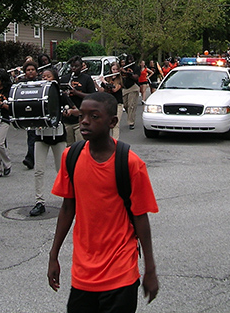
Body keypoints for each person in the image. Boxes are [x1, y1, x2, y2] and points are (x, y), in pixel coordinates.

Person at [47, 92, 159, 312]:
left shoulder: (130, 163)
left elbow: (140, 216)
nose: (85, 121)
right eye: (82, 116)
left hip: (120, 271)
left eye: (94, 116)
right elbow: (67, 208)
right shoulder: (71, 156)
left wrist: (150, 269)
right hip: (83, 272)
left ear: (112, 122)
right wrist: (53, 256)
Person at [29, 67, 67, 217]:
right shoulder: (37, 95)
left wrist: (67, 112)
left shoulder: (60, 94)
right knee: (38, 170)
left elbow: (74, 109)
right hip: (41, 136)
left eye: (48, 76)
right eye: (43, 76)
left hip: (58, 136)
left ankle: (68, 199)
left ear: (55, 78)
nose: (45, 79)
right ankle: (40, 201)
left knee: (61, 171)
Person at [60, 55, 95, 145]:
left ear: (81, 67)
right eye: (72, 66)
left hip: (81, 117)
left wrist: (77, 93)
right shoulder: (65, 79)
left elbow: (92, 97)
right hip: (67, 118)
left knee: (81, 145)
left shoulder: (86, 79)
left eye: (76, 66)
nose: (74, 68)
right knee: (68, 146)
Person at [99, 62, 124, 141]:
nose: (115, 71)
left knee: (116, 123)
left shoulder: (120, 79)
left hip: (118, 103)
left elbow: (114, 89)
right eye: (113, 69)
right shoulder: (108, 78)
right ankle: (107, 140)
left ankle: (115, 141)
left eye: (116, 69)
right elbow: (102, 90)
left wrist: (104, 81)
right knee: (107, 123)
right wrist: (96, 83)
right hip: (108, 103)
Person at [120, 56, 141, 130]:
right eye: (128, 59)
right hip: (125, 88)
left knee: (131, 105)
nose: (129, 61)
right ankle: (131, 116)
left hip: (133, 87)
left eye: (131, 59)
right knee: (125, 105)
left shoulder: (136, 68)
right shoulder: (123, 67)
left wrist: (127, 73)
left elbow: (136, 77)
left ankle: (131, 122)